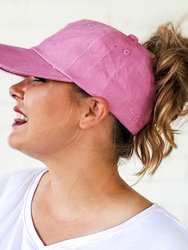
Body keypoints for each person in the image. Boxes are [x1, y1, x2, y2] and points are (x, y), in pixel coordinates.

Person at [0, 19, 187, 250]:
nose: (15, 89)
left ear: (92, 111)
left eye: (39, 79)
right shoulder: (5, 195)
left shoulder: (163, 243)